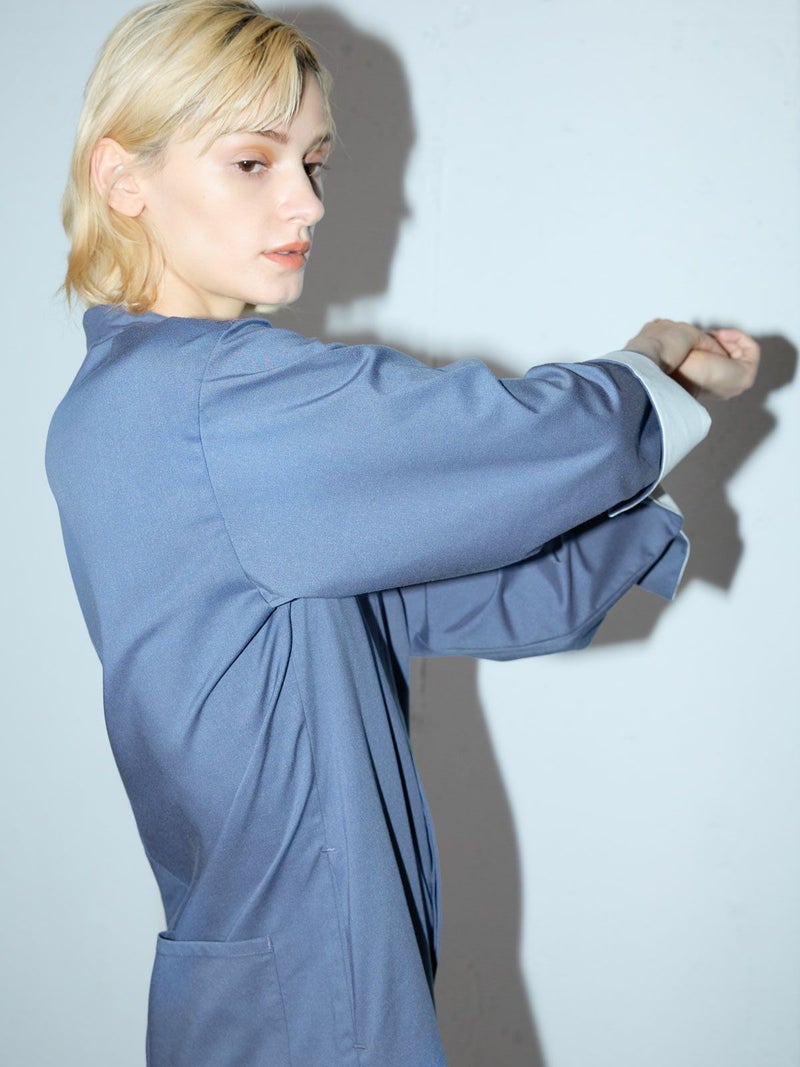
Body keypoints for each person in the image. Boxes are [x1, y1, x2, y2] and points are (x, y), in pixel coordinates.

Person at [45, 1, 760, 1064]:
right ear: (122, 178)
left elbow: (481, 593)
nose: (306, 201)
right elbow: (510, 437)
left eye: (313, 162)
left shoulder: (125, 411)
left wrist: (651, 455)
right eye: (253, 162)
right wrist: (651, 373)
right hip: (310, 1003)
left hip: (266, 987)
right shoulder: (218, 403)